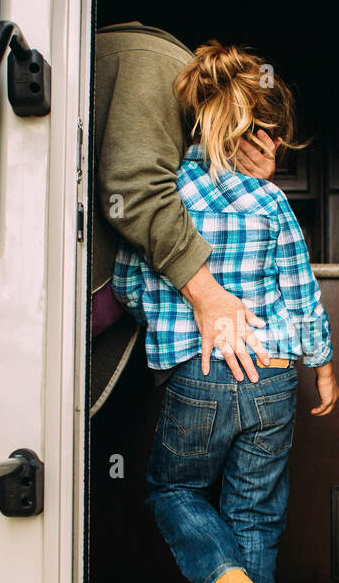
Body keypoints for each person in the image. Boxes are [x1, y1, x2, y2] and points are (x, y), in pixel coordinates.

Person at [113, 42, 339, 583]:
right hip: (273, 376)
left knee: (173, 491)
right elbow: (301, 290)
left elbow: (132, 280)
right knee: (257, 515)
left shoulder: (169, 197)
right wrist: (323, 366)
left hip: (200, 372)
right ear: (252, 130)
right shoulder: (272, 203)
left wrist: (171, 324)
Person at [89, 22, 283, 416]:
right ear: (242, 126)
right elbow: (136, 189)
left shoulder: (187, 125)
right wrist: (208, 295)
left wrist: (254, 188)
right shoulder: (156, 68)